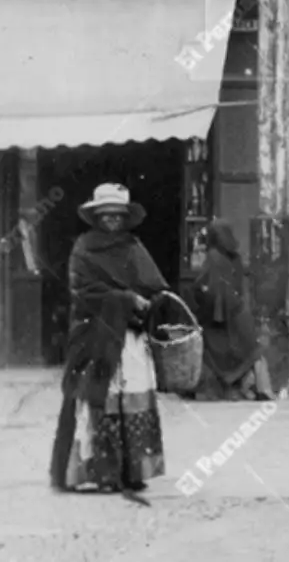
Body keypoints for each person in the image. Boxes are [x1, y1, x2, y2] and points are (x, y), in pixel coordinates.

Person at [50, 184, 171, 494]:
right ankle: (99, 472)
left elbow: (152, 285)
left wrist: (151, 301)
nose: (112, 220)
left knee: (132, 397)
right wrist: (127, 299)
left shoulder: (133, 247)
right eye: (106, 214)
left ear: (126, 217)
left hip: (129, 337)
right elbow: (82, 291)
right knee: (98, 399)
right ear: (96, 217)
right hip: (95, 337)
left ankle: (130, 472)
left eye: (118, 214)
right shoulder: (84, 248)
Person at [190, 219, 273, 401]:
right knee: (249, 350)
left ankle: (221, 390)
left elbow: (211, 288)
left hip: (221, 315)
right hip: (238, 312)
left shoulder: (213, 256)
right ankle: (257, 387)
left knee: (211, 349)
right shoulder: (235, 257)